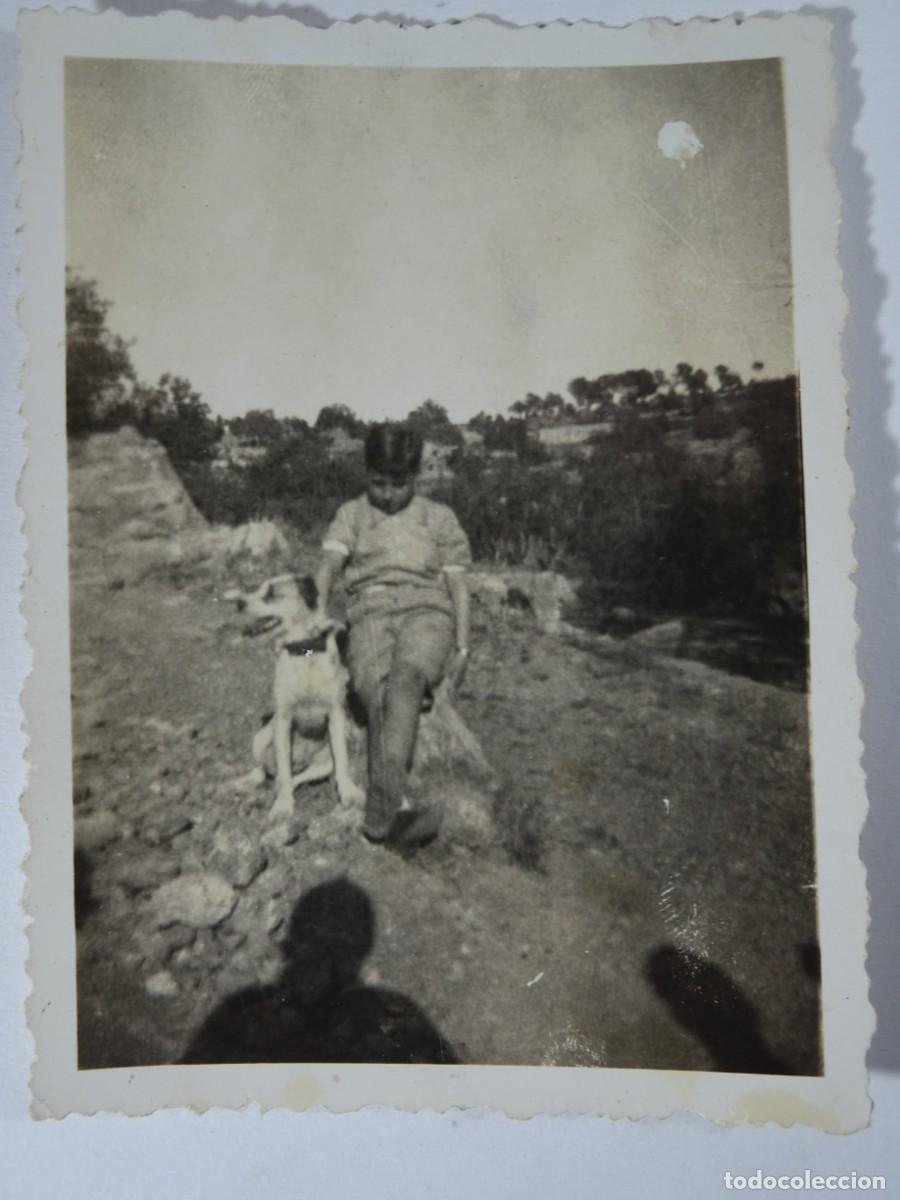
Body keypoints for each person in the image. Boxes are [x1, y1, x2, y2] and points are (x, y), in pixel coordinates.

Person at [316, 422, 471, 845]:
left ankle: (380, 815)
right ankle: (396, 814)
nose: (386, 493)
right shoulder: (351, 515)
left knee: (406, 680)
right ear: (366, 473)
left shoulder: (438, 518)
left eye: (398, 484)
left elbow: (457, 585)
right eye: (378, 482)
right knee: (372, 689)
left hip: (426, 611)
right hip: (369, 612)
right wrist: (317, 606)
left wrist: (462, 644)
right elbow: (330, 563)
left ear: (415, 477)